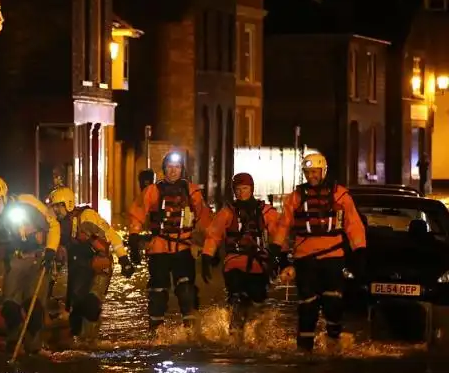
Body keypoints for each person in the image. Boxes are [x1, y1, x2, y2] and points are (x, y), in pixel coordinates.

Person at [270, 153, 367, 353]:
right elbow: (283, 225)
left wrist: (359, 250)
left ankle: (334, 340)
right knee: (307, 306)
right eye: (307, 172)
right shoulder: (295, 198)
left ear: (323, 171)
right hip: (305, 258)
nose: (311, 176)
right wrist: (276, 250)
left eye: (314, 171)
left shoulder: (340, 195)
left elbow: (353, 225)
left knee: (333, 302)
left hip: (332, 256)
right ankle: (305, 350)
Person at [127, 151, 213, 330]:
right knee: (157, 291)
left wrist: (208, 249)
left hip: (184, 246)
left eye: (177, 167)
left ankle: (190, 330)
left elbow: (205, 218)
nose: (173, 171)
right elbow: (137, 213)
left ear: (182, 169)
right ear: (164, 169)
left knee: (186, 289)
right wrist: (134, 238)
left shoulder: (192, 191)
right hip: (159, 247)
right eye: (170, 167)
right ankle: (156, 331)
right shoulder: (152, 191)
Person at [0, 176, 60, 355]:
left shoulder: (27, 203)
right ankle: (15, 342)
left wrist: (51, 249)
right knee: (9, 307)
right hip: (14, 262)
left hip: (38, 259)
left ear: (4, 196)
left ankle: (35, 347)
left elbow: (53, 224)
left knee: (33, 306)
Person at [47, 186, 134, 342]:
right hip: (79, 266)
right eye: (54, 206)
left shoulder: (87, 218)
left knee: (91, 304)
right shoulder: (57, 226)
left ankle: (92, 340)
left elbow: (112, 235)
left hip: (99, 265)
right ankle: (79, 339)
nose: (56, 210)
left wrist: (124, 259)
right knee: (76, 310)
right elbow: (57, 255)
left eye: (58, 206)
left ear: (68, 204)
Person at [202, 173, 282, 337]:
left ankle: (256, 333)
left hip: (259, 264)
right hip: (234, 261)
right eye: (237, 189)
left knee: (257, 300)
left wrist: (281, 256)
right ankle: (235, 334)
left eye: (245, 189)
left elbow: (279, 233)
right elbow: (213, 235)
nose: (241, 192)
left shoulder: (265, 211)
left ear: (251, 189)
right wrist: (206, 257)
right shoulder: (227, 212)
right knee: (236, 297)